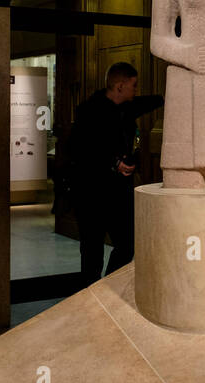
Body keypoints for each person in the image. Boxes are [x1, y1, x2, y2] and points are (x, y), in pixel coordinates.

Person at [69, 62, 163, 286]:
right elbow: (79, 149)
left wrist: (171, 95)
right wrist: (113, 162)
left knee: (127, 244)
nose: (136, 89)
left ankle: (107, 287)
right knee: (92, 251)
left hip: (119, 193)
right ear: (120, 86)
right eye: (133, 85)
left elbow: (149, 101)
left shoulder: (127, 108)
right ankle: (90, 297)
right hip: (91, 193)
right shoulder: (88, 111)